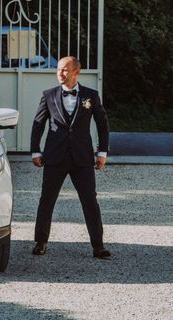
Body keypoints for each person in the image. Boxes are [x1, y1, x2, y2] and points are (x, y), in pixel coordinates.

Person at [30, 56, 110, 259]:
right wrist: (35, 151)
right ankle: (40, 242)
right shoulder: (48, 95)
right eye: (58, 70)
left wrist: (101, 152)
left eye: (65, 70)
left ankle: (98, 245)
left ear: (77, 71)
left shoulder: (91, 96)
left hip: (82, 158)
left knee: (90, 200)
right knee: (47, 200)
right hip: (55, 157)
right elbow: (38, 124)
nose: (60, 73)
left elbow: (102, 123)